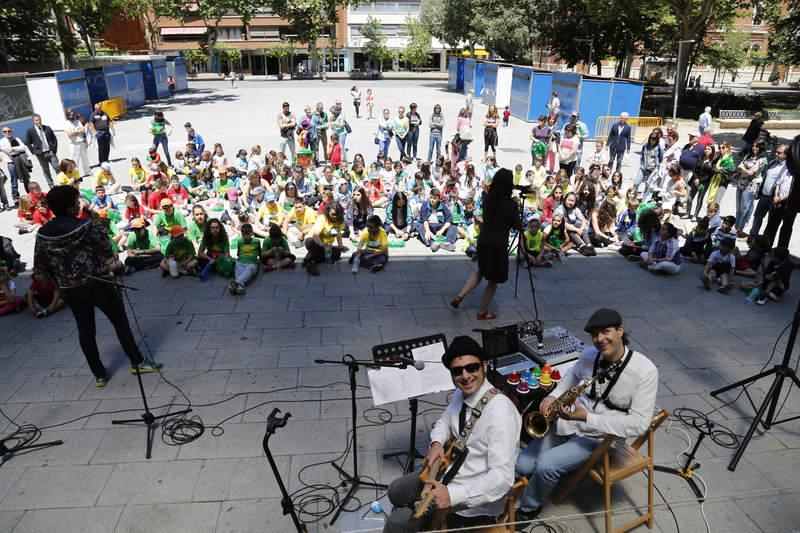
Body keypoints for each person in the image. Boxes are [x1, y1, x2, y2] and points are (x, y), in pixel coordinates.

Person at [515, 308, 658, 522]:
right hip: (568, 424)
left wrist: (586, 418)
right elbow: (571, 375)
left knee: (546, 464)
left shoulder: (645, 371)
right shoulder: (590, 354)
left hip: (599, 439)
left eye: (605, 332)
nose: (599, 339)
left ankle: (528, 508)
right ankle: (550, 472)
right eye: (594, 334)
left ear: (620, 331)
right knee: (522, 465)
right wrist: (553, 396)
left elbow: (638, 425)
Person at [383, 335, 521, 533]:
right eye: (457, 371)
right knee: (395, 490)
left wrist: (453, 495)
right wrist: (437, 443)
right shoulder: (462, 392)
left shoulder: (501, 414)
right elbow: (446, 420)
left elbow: (501, 479)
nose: (465, 376)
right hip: (446, 472)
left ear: (484, 365)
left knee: (397, 523)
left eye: (472, 367)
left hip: (471, 500)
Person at [33, 186, 158, 387]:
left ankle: (99, 374)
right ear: (69, 207)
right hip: (97, 282)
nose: (78, 205)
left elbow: (40, 268)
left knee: (85, 329)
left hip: (69, 289)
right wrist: (97, 224)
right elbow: (107, 248)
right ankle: (137, 362)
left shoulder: (43, 233)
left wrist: (61, 279)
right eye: (75, 202)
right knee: (119, 321)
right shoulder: (85, 225)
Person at [451, 169, 520, 319]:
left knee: (481, 270)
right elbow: (517, 225)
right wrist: (517, 206)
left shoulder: (487, 198)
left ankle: (460, 295)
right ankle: (482, 311)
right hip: (498, 244)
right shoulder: (511, 205)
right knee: (493, 280)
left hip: (483, 240)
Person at [750, 144, 789, 239]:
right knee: (757, 217)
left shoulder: (787, 168)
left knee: (771, 222)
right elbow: (765, 177)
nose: (776, 153)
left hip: (774, 199)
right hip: (764, 196)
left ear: (786, 155)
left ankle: (764, 241)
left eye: (779, 153)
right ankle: (752, 237)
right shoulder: (772, 163)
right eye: (776, 151)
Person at [733, 141, 768, 237]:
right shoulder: (749, 156)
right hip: (741, 183)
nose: (754, 148)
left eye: (757, 147)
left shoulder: (763, 159)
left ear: (761, 148)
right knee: (738, 207)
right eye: (753, 146)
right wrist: (743, 168)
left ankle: (741, 228)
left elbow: (751, 172)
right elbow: (740, 166)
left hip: (750, 186)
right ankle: (737, 226)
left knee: (745, 208)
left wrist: (743, 167)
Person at [303, 202, 345, 276]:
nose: (335, 216)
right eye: (333, 214)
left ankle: (310, 257)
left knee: (337, 253)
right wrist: (322, 244)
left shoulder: (340, 220)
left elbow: (338, 234)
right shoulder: (322, 218)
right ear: (328, 212)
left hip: (326, 245)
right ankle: (311, 263)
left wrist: (340, 246)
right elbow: (315, 235)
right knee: (314, 245)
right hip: (314, 241)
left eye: (337, 214)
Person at [24, 114, 59, 188]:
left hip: (50, 152)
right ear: (33, 121)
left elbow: (54, 139)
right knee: (46, 170)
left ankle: (62, 182)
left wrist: (54, 149)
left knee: (57, 167)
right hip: (41, 154)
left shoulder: (47, 128)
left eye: (39, 119)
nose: (39, 121)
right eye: (37, 120)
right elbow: (27, 142)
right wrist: (34, 151)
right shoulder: (30, 130)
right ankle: (51, 185)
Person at [1, 125, 32, 206]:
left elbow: (23, 147)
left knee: (26, 178)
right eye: (5, 131)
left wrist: (14, 149)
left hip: (21, 161)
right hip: (11, 162)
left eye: (9, 131)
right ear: (2, 133)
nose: (7, 133)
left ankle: (30, 194)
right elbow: (8, 151)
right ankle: (15, 198)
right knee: (14, 181)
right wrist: (17, 149)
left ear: (12, 131)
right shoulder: (2, 142)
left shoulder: (17, 139)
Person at [229, 223, 262, 295]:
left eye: (247, 235)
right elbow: (238, 254)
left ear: (252, 233)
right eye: (243, 235)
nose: (245, 237)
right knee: (237, 268)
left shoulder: (256, 241)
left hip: (251, 263)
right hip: (240, 262)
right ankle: (238, 287)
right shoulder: (240, 241)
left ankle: (236, 284)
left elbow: (259, 253)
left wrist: (262, 262)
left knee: (250, 269)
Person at [64, 109, 91, 177]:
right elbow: (70, 134)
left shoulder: (78, 121)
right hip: (73, 144)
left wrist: (75, 132)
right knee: (74, 160)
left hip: (81, 142)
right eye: (70, 114)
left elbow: (83, 130)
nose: (72, 115)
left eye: (72, 114)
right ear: (67, 115)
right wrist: (78, 131)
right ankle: (76, 174)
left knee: (85, 158)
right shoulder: (66, 124)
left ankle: (87, 171)